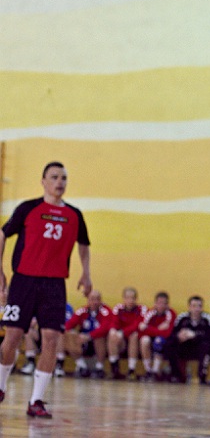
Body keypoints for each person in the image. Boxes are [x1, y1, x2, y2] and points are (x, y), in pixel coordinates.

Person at [0, 161, 91, 417]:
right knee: (12, 336)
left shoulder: (74, 215)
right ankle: (1, 385)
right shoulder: (28, 208)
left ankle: (36, 401)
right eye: (54, 177)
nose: (60, 182)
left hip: (54, 284)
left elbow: (84, 244)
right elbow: (3, 233)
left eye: (63, 178)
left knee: (51, 338)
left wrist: (86, 273)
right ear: (43, 182)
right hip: (24, 281)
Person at [165, 295, 210, 384]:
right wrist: (179, 336)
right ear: (189, 307)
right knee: (170, 344)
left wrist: (194, 335)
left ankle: (202, 376)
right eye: (194, 306)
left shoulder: (207, 319)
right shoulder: (182, 318)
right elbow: (173, 333)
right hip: (185, 347)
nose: (196, 309)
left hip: (200, 348)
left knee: (207, 345)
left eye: (199, 306)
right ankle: (175, 375)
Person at [64, 290, 113, 378]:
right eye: (92, 299)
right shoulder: (82, 311)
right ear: (88, 300)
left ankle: (99, 368)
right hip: (83, 341)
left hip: (100, 342)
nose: (95, 302)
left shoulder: (106, 311)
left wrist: (90, 336)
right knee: (68, 335)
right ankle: (82, 366)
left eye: (97, 299)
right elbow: (69, 324)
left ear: (101, 300)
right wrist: (75, 335)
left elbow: (105, 328)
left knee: (99, 337)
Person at [108, 287, 147, 380]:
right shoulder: (118, 308)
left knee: (134, 335)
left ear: (136, 299)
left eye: (133, 298)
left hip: (136, 340)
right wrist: (113, 330)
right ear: (124, 299)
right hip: (122, 340)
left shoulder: (142, 309)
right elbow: (114, 322)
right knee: (111, 335)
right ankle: (114, 369)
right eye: (128, 298)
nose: (130, 301)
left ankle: (131, 369)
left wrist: (122, 332)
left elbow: (137, 325)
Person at [138, 291, 176, 381]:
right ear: (155, 303)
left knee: (159, 341)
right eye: (159, 303)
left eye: (164, 303)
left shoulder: (171, 314)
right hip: (152, 337)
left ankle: (156, 371)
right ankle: (148, 370)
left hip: (166, 341)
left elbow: (167, 333)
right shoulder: (150, 313)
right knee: (144, 340)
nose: (161, 306)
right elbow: (141, 330)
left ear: (167, 304)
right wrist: (158, 329)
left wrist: (149, 328)